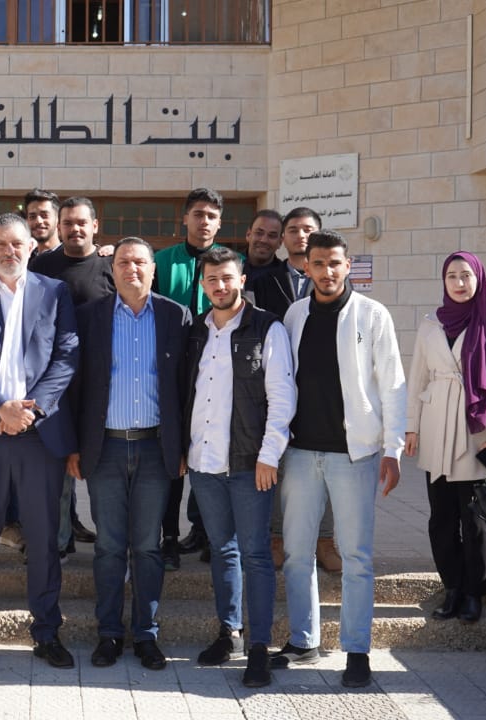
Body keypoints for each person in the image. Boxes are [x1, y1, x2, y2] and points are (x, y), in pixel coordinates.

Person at [270, 230, 406, 688]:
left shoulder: (373, 314)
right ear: (306, 267)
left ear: (348, 266)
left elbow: (393, 383)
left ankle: (357, 649)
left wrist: (393, 449)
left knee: (355, 556)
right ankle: (303, 639)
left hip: (355, 455)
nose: (327, 272)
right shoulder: (294, 314)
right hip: (301, 453)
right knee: (297, 553)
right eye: (318, 264)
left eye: (335, 263)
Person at [0, 214, 79, 671]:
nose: (9, 251)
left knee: (42, 541)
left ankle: (47, 633)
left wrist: (30, 410)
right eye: (0, 244)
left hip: (38, 438)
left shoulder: (55, 292)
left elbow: (66, 355)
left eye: (17, 244)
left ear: (31, 247)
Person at [68, 237, 191, 671]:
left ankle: (145, 635)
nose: (131, 269)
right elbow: (75, 387)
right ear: (112, 269)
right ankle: (108, 633)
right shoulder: (90, 317)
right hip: (105, 449)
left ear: (153, 269)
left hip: (156, 449)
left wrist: (182, 447)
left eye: (140, 262)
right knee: (108, 546)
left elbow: (186, 389)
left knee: (147, 547)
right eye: (123, 262)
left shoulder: (176, 316)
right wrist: (74, 447)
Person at [182, 245, 295, 687]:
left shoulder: (267, 327)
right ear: (202, 284)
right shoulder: (196, 330)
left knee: (255, 554)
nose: (220, 285)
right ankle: (229, 632)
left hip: (250, 464)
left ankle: (260, 647)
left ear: (241, 280)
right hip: (204, 462)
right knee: (222, 550)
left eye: (227, 277)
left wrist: (269, 455)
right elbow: (188, 394)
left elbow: (282, 397)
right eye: (212, 279)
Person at [404, 252, 486, 625]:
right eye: (452, 275)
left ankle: (474, 593)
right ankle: (451, 586)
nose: (459, 282)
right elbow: (418, 377)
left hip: (478, 431)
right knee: (441, 516)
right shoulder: (430, 323)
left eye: (466, 275)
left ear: (479, 279)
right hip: (437, 426)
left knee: (474, 517)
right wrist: (411, 427)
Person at [252, 206, 339, 573]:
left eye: (308, 229)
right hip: (277, 388)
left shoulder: (334, 280)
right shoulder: (263, 280)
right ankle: (277, 537)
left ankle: (325, 539)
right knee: (278, 462)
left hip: (324, 392)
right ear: (283, 237)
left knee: (328, 466)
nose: (300, 236)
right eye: (293, 230)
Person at [153, 188, 232, 570]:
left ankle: (205, 531)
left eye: (211, 216)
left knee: (211, 454)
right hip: (172, 373)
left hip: (216, 374)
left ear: (220, 223)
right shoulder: (162, 260)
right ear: (185, 218)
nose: (204, 221)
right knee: (172, 459)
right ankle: (168, 536)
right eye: (198, 214)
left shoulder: (233, 263)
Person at [30, 195, 112, 556]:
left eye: (82, 222)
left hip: (102, 385)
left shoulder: (111, 265)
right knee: (58, 471)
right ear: (59, 227)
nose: (75, 228)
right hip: (56, 385)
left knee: (102, 475)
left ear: (94, 226)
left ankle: (111, 549)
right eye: (68, 223)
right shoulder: (42, 266)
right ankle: (59, 545)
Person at [241, 209, 284, 291]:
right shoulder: (228, 267)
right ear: (248, 235)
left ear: (280, 242)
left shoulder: (285, 276)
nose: (264, 240)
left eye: (272, 236)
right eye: (259, 233)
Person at [24, 188, 62, 256]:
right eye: (32, 216)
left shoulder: (71, 257)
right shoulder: (26, 258)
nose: (38, 221)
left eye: (44, 215)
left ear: (58, 219)